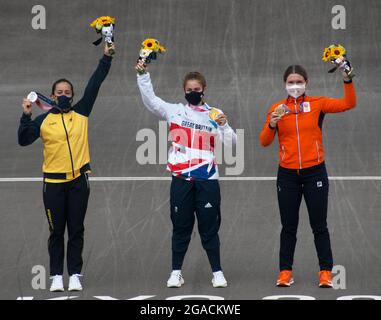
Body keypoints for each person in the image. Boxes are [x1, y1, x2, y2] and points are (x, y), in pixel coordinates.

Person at [18, 42, 115, 292]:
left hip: (78, 182)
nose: (63, 94)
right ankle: (55, 278)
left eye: (67, 91)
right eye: (59, 91)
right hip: (53, 185)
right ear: (52, 96)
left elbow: (96, 82)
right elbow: (23, 140)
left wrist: (106, 57)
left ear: (72, 95)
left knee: (76, 230)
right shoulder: (43, 121)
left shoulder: (82, 113)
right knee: (56, 232)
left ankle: (74, 275)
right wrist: (26, 115)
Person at [135, 60, 237, 288]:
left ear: (204, 90)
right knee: (181, 228)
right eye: (189, 90)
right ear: (184, 91)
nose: (193, 93)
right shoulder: (175, 111)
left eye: (197, 90)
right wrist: (143, 74)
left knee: (209, 229)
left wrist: (224, 125)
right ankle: (176, 272)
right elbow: (151, 101)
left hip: (207, 180)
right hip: (181, 180)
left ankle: (217, 272)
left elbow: (232, 144)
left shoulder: (215, 114)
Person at [260, 64, 356, 288]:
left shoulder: (318, 104)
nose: (295, 86)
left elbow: (349, 103)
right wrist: (273, 123)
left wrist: (347, 78)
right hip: (287, 176)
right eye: (291, 82)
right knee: (288, 226)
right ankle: (285, 272)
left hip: (315, 173)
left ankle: (325, 272)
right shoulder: (277, 108)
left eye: (298, 82)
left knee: (319, 225)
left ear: (306, 83)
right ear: (285, 84)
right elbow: (264, 141)